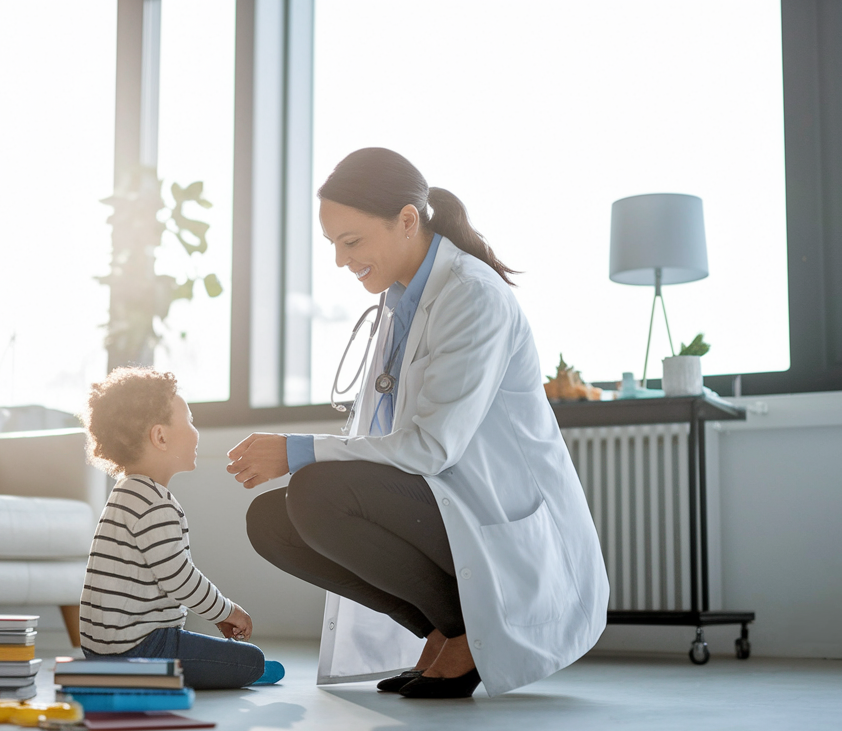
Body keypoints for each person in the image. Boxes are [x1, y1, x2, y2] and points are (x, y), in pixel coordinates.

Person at [227, 147, 608, 699]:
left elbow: (429, 448)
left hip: (495, 514)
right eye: (332, 243)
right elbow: (390, 440)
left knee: (314, 492)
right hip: (446, 499)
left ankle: (469, 632)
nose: (339, 260)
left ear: (407, 220)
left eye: (351, 241)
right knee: (272, 521)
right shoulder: (400, 302)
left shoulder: (472, 296)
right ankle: (446, 627)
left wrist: (296, 450)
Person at [79, 366, 284, 689]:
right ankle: (249, 669)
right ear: (160, 437)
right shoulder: (154, 503)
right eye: (189, 420)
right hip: (142, 649)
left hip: (99, 651)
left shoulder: (125, 493)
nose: (195, 431)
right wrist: (227, 611)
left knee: (203, 648)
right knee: (251, 660)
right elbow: (179, 579)